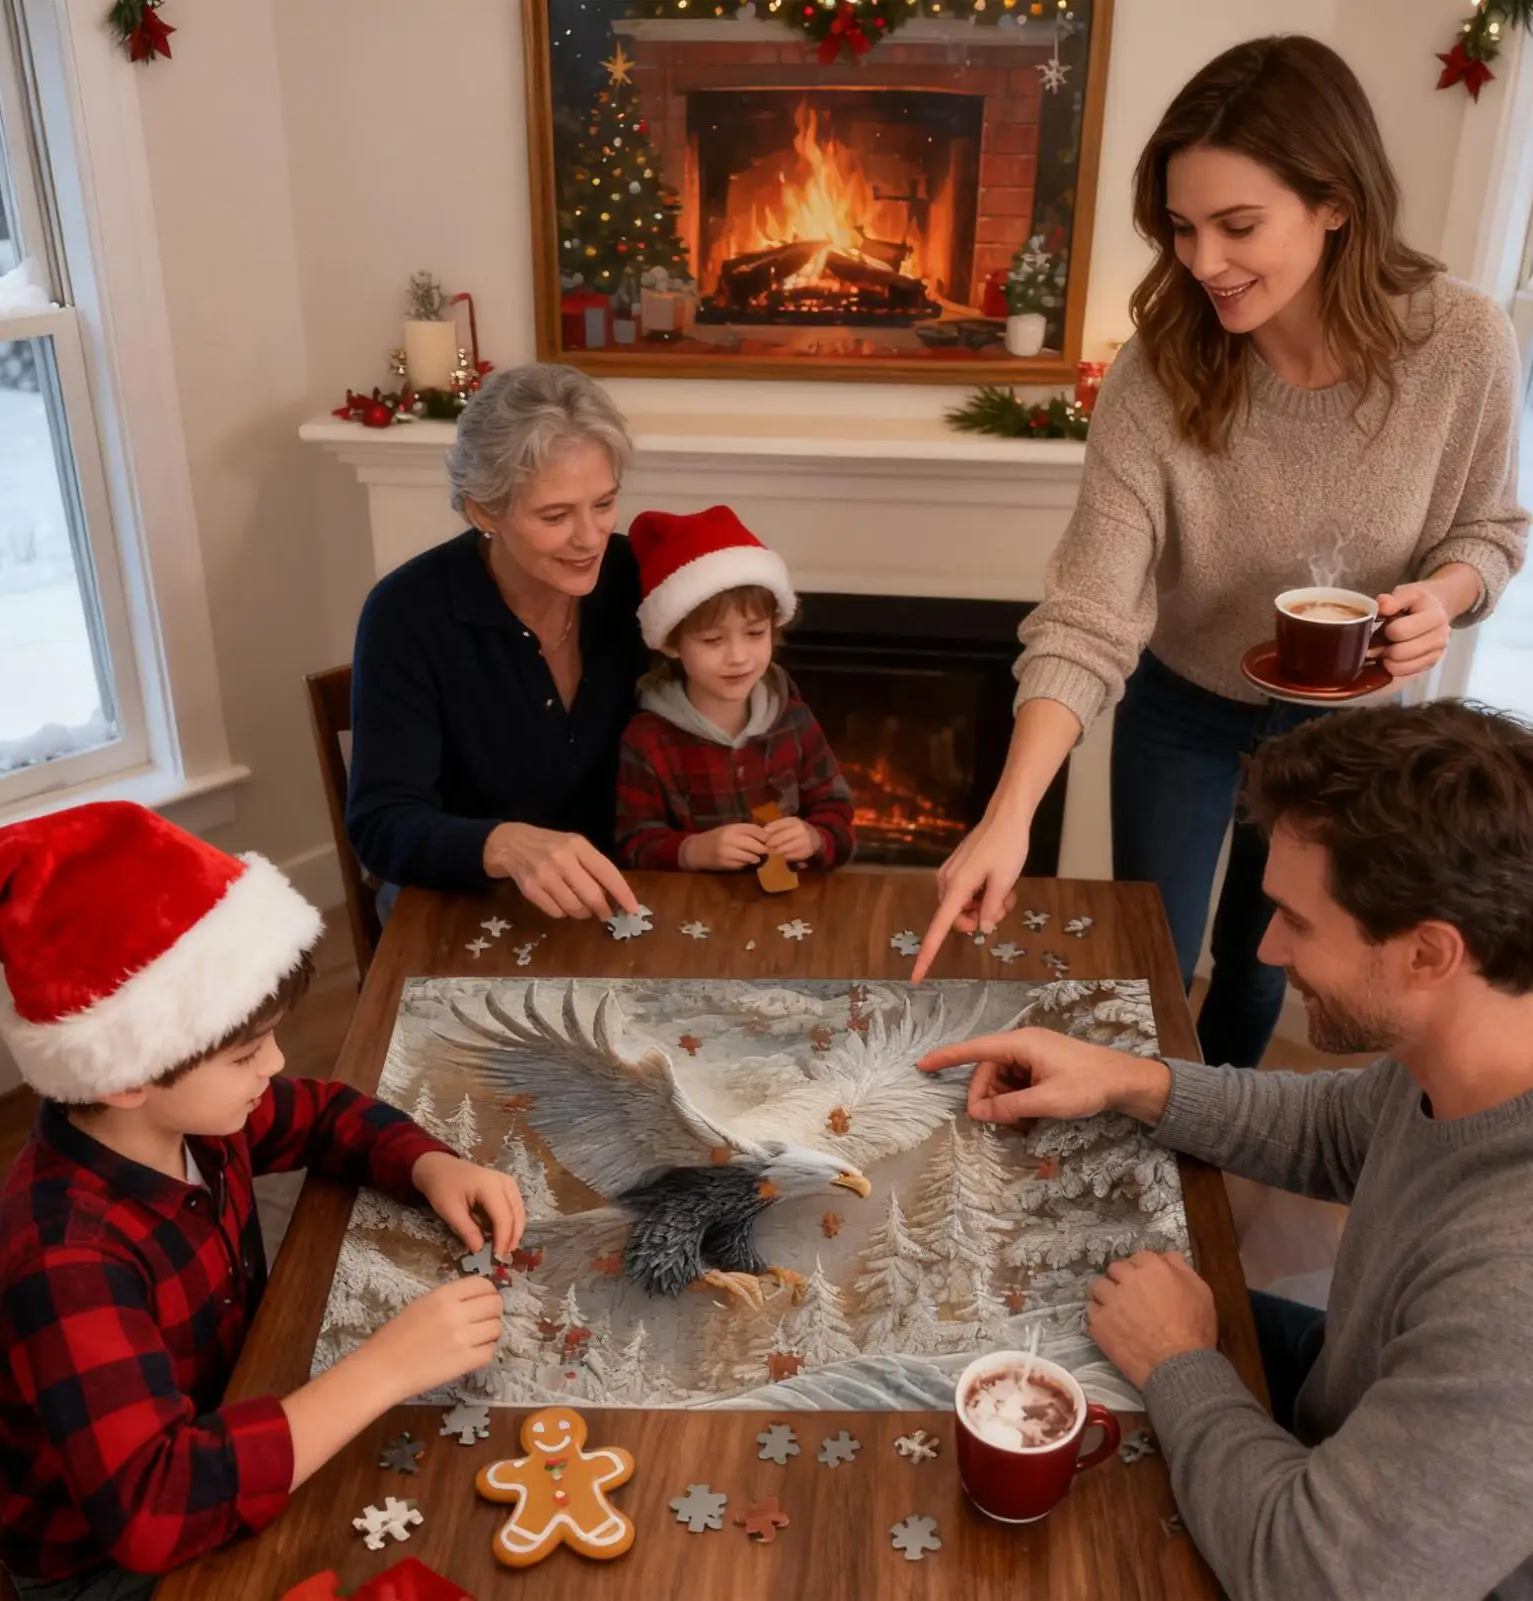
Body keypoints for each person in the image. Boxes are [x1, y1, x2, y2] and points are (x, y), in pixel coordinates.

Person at [914, 36, 1528, 1068]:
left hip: (1340, 730)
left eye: (1237, 225)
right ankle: (1140, 1125)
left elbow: (1489, 529)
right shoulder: (1159, 367)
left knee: (1259, 962)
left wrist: (1446, 592)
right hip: (1182, 704)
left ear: (1333, 201)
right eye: (1182, 227)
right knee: (1148, 950)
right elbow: (1088, 610)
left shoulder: (1460, 342)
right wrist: (1006, 813)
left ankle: (1210, 1153)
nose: (1201, 262)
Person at [920, 700, 1533, 1601]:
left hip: (1346, 1546)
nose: (1264, 945)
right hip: (1347, 1397)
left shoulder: (1509, 1294)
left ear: (1428, 951)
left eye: (1296, 919)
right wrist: (1124, 1077)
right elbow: (1333, 1131)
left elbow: (1316, 1576)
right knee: (1028, 1300)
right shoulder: (1467, 1054)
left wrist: (1179, 1361)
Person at [0, 803, 524, 1599]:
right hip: (97, 1563)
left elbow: (321, 1114)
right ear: (124, 1072)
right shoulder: (63, 1253)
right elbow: (151, 1512)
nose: (274, 1064)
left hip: (231, 1407)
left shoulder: (194, 1119)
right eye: (249, 1051)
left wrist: (427, 1165)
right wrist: (385, 1367)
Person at [346, 362, 648, 923]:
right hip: (466, 899)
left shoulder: (638, 578)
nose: (590, 538)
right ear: (484, 510)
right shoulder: (407, 612)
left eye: (604, 503)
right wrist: (502, 845)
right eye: (555, 515)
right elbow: (381, 823)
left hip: (622, 890)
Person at [614, 505, 854, 872]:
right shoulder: (646, 741)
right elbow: (632, 843)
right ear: (670, 644)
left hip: (790, 909)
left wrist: (814, 838)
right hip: (690, 914)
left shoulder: (795, 720)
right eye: (712, 640)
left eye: (755, 633)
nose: (738, 657)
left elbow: (838, 816)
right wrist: (692, 850)